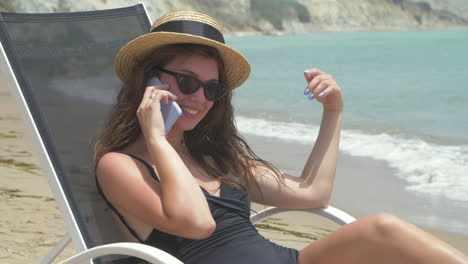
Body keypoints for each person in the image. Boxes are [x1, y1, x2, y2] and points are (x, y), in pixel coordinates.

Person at [94, 11, 468, 264]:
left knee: (382, 228)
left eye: (212, 89)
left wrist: (333, 111)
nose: (199, 99)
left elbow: (312, 193)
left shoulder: (212, 157)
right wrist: (158, 140)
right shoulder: (122, 165)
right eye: (187, 82)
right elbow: (198, 224)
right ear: (151, 81)